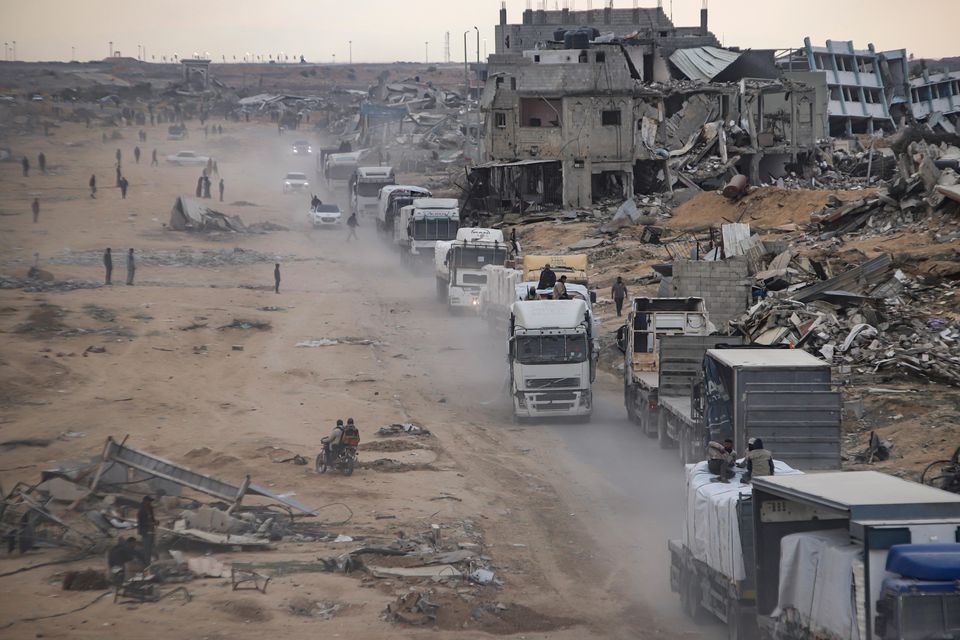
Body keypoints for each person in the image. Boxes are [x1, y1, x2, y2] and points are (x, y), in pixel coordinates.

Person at [136, 496, 157, 564]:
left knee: (152, 547)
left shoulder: (150, 509)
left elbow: (152, 518)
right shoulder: (141, 511)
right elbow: (142, 523)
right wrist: (151, 523)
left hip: (152, 531)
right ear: (145, 501)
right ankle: (147, 564)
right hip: (145, 532)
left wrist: (156, 522)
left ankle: (154, 561)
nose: (150, 503)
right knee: (147, 549)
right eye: (149, 501)